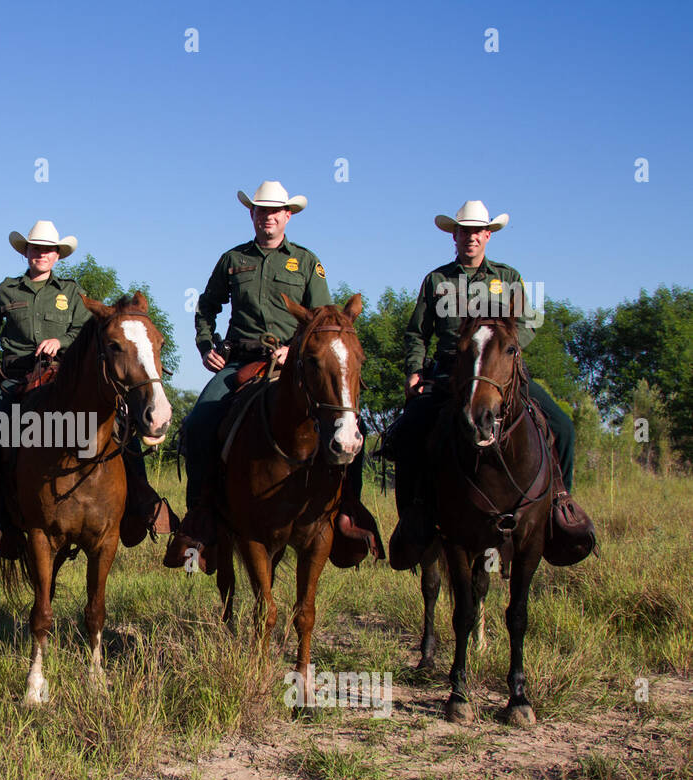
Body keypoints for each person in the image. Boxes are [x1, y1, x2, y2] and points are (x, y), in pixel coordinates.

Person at [163, 182, 381, 572]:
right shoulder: (233, 259)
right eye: (261, 210)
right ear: (252, 215)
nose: (268, 216)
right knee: (198, 425)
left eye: (275, 210)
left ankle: (348, 511)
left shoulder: (307, 261)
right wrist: (205, 343)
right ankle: (201, 517)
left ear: (288, 215)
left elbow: (324, 319)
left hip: (296, 363)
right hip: (241, 362)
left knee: (352, 429)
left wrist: (294, 349)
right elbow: (206, 307)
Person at [0, 220, 175, 559]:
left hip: (63, 375)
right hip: (17, 378)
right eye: (35, 247)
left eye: (47, 249)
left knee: (120, 426)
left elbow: (89, 334)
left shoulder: (71, 292)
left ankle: (141, 498)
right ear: (26, 251)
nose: (41, 253)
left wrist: (62, 340)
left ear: (57, 255)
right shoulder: (6, 290)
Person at [387, 200, 578, 570]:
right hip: (446, 374)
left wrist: (503, 346)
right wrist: (414, 370)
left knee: (563, 427)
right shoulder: (437, 280)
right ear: (454, 236)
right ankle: (414, 517)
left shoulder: (508, 278)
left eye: (477, 231)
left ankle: (559, 507)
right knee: (408, 432)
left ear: (488, 235)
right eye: (464, 231)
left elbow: (531, 322)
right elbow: (416, 333)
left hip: (499, 376)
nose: (470, 237)